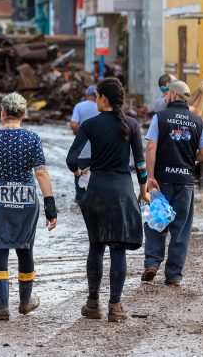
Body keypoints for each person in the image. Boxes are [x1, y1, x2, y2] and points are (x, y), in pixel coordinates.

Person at [66, 77, 149, 323]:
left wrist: (80, 173)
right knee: (118, 249)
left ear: (103, 98)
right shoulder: (132, 125)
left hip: (97, 190)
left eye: (98, 97)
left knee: (96, 245)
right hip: (123, 191)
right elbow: (141, 165)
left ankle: (93, 304)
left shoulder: (90, 125)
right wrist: (143, 190)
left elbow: (72, 159)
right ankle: (115, 306)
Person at [0, 93, 58, 321]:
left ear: (2, 113)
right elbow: (41, 172)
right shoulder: (32, 139)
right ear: (24, 115)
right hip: (25, 198)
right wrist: (50, 206)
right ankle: (26, 301)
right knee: (25, 248)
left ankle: (3, 306)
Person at [142, 80, 203, 287]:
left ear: (173, 96)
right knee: (181, 229)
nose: (164, 98)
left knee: (156, 221)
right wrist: (189, 157)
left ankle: (152, 263)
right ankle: (173, 275)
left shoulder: (160, 118)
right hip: (185, 181)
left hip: (161, 180)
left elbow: (151, 148)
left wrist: (150, 177)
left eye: (166, 95)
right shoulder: (197, 122)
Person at [69, 86, 99, 201]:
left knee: (80, 176)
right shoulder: (101, 108)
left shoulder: (79, 106)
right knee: (97, 177)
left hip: (82, 151)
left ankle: (80, 199)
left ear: (87, 95)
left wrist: (81, 132)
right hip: (98, 151)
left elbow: (73, 125)